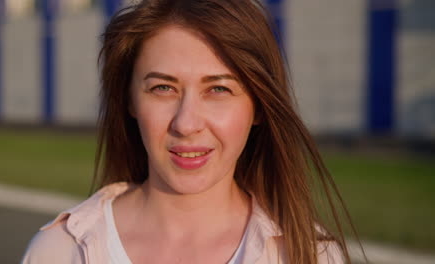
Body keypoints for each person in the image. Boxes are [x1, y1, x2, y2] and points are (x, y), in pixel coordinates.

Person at [22, 0, 364, 263]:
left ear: (258, 106)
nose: (186, 124)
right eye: (162, 88)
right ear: (129, 101)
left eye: (218, 90)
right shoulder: (61, 251)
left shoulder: (311, 256)